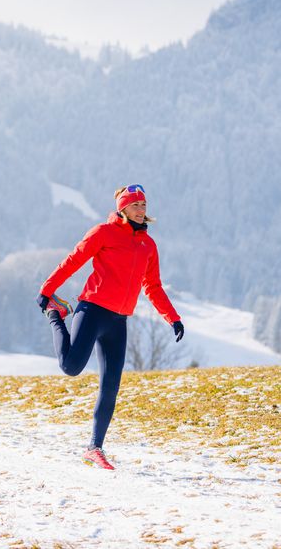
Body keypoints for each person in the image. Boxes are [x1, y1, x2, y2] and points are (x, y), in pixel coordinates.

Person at [37, 184, 184, 470]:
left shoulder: (148, 246)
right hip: (92, 310)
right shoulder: (103, 233)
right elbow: (74, 260)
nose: (142, 211)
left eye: (144, 205)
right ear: (122, 208)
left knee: (110, 387)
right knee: (70, 367)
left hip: (119, 322)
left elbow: (152, 286)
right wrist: (48, 289)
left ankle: (94, 447)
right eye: (136, 205)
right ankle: (56, 313)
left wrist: (172, 317)